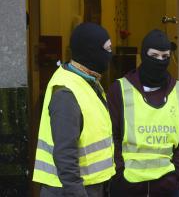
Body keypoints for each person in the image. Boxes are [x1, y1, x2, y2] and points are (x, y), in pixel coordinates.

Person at [32, 22, 116, 197]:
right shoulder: (66, 92)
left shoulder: (89, 82)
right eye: (107, 49)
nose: (111, 54)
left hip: (89, 187)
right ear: (91, 52)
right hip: (69, 191)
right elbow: (65, 156)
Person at [107, 29, 179, 197]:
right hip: (128, 185)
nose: (160, 61)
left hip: (167, 185)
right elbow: (110, 135)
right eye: (154, 56)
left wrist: (176, 171)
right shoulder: (120, 89)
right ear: (143, 55)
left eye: (165, 56)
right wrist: (119, 172)